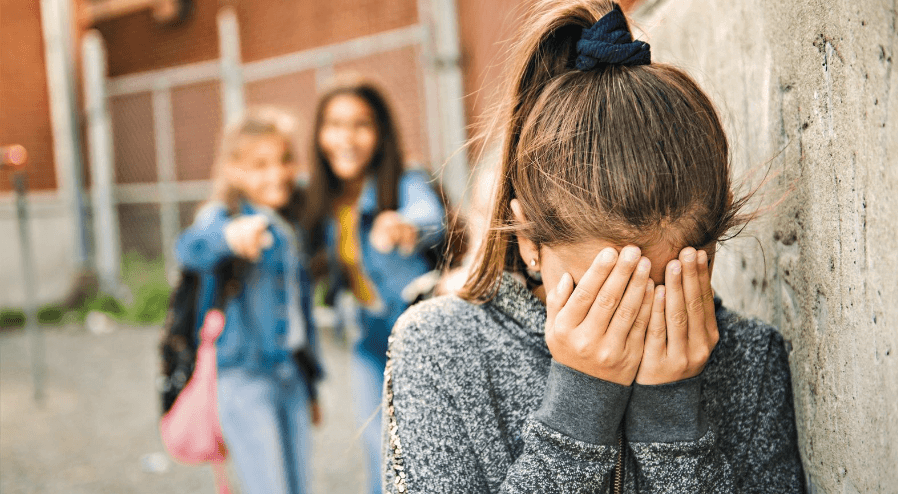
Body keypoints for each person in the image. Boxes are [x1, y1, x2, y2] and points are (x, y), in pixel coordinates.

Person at [381, 1, 806, 492]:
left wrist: (674, 427)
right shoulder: (440, 349)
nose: (633, 318)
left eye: (665, 284)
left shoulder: (751, 359)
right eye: (601, 288)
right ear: (529, 240)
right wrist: (576, 415)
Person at [303, 77, 446, 494]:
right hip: (367, 341)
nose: (346, 137)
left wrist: (403, 225)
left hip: (417, 343)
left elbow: (429, 215)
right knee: (376, 450)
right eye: (334, 124)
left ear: (380, 134)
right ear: (319, 134)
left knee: (421, 456)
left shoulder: (403, 181)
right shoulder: (324, 196)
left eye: (361, 124)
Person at [176, 107, 321, 494]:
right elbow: (190, 248)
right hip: (243, 377)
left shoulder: (290, 224)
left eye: (285, 160)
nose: (277, 174)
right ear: (234, 170)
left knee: (298, 486)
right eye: (260, 164)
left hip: (291, 374)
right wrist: (230, 236)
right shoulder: (223, 216)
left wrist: (312, 384)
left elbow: (300, 313)